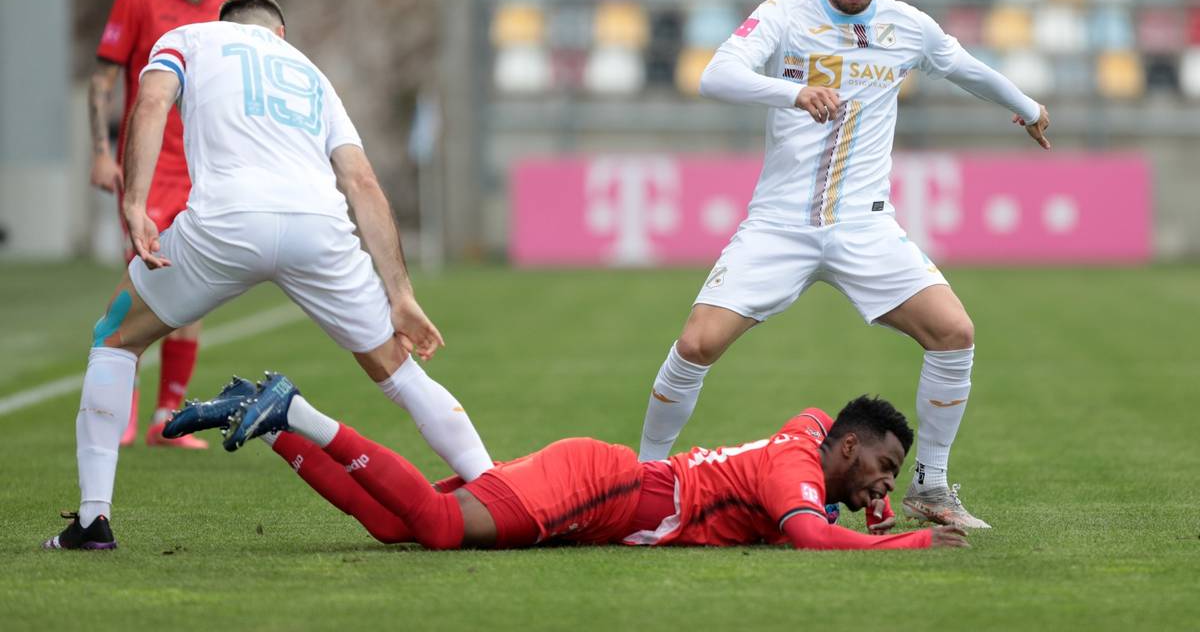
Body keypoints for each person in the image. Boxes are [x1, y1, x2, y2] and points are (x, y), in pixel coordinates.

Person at [637, 0, 1052, 529]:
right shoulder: (784, 14)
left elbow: (963, 66)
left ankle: (932, 486)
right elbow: (715, 77)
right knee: (696, 343)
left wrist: (1026, 105)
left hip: (864, 225)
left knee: (955, 333)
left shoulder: (906, 27)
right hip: (780, 224)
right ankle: (644, 479)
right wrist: (793, 91)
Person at [43, 0, 492, 550]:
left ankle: (93, 520)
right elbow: (362, 184)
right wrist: (400, 293)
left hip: (227, 221)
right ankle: (497, 489)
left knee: (114, 338)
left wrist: (135, 202)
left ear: (223, 24)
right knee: (400, 373)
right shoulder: (311, 72)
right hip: (318, 228)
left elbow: (152, 102)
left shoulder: (188, 38)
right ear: (279, 34)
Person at [166, 374, 969, 551]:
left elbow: (819, 431)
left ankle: (271, 422)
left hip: (602, 484)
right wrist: (912, 541)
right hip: (604, 488)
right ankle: (301, 407)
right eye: (886, 465)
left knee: (394, 528)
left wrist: (868, 497)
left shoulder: (811, 437)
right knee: (441, 528)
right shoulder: (794, 468)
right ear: (850, 446)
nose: (886, 481)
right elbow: (807, 534)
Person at [87, 0, 230, 449]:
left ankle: (167, 417)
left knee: (193, 290)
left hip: (202, 173)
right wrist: (102, 153)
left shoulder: (227, 11)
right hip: (147, 175)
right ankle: (124, 409)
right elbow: (103, 80)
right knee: (143, 286)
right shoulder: (139, 0)